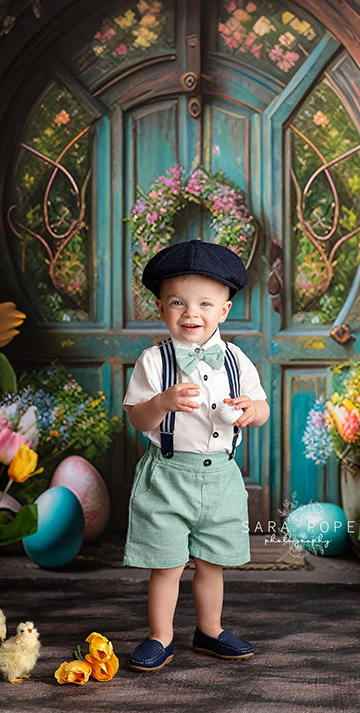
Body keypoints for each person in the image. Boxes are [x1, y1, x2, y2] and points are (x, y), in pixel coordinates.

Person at [123, 239, 270, 672]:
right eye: (178, 303)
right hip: (167, 476)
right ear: (161, 308)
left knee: (212, 562)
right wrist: (163, 402)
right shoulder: (153, 362)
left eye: (205, 303)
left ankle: (210, 630)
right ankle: (160, 636)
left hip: (222, 477)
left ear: (224, 310)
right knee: (166, 564)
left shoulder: (239, 362)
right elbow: (137, 418)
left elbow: (261, 410)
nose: (191, 314)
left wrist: (251, 411)